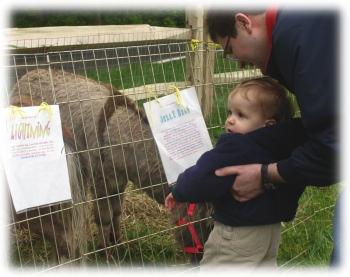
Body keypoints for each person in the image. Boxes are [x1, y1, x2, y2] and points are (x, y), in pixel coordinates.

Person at [205, 6, 340, 267]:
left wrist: (265, 175)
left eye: (230, 51)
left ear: (244, 23)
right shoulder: (308, 25)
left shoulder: (300, 39)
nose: (240, 62)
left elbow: (332, 147)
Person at [165, 77, 307, 272]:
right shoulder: (287, 148)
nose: (230, 119)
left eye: (241, 115)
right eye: (230, 112)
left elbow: (201, 177)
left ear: (268, 125)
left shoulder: (237, 146)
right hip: (270, 232)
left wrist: (180, 192)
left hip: (236, 234)